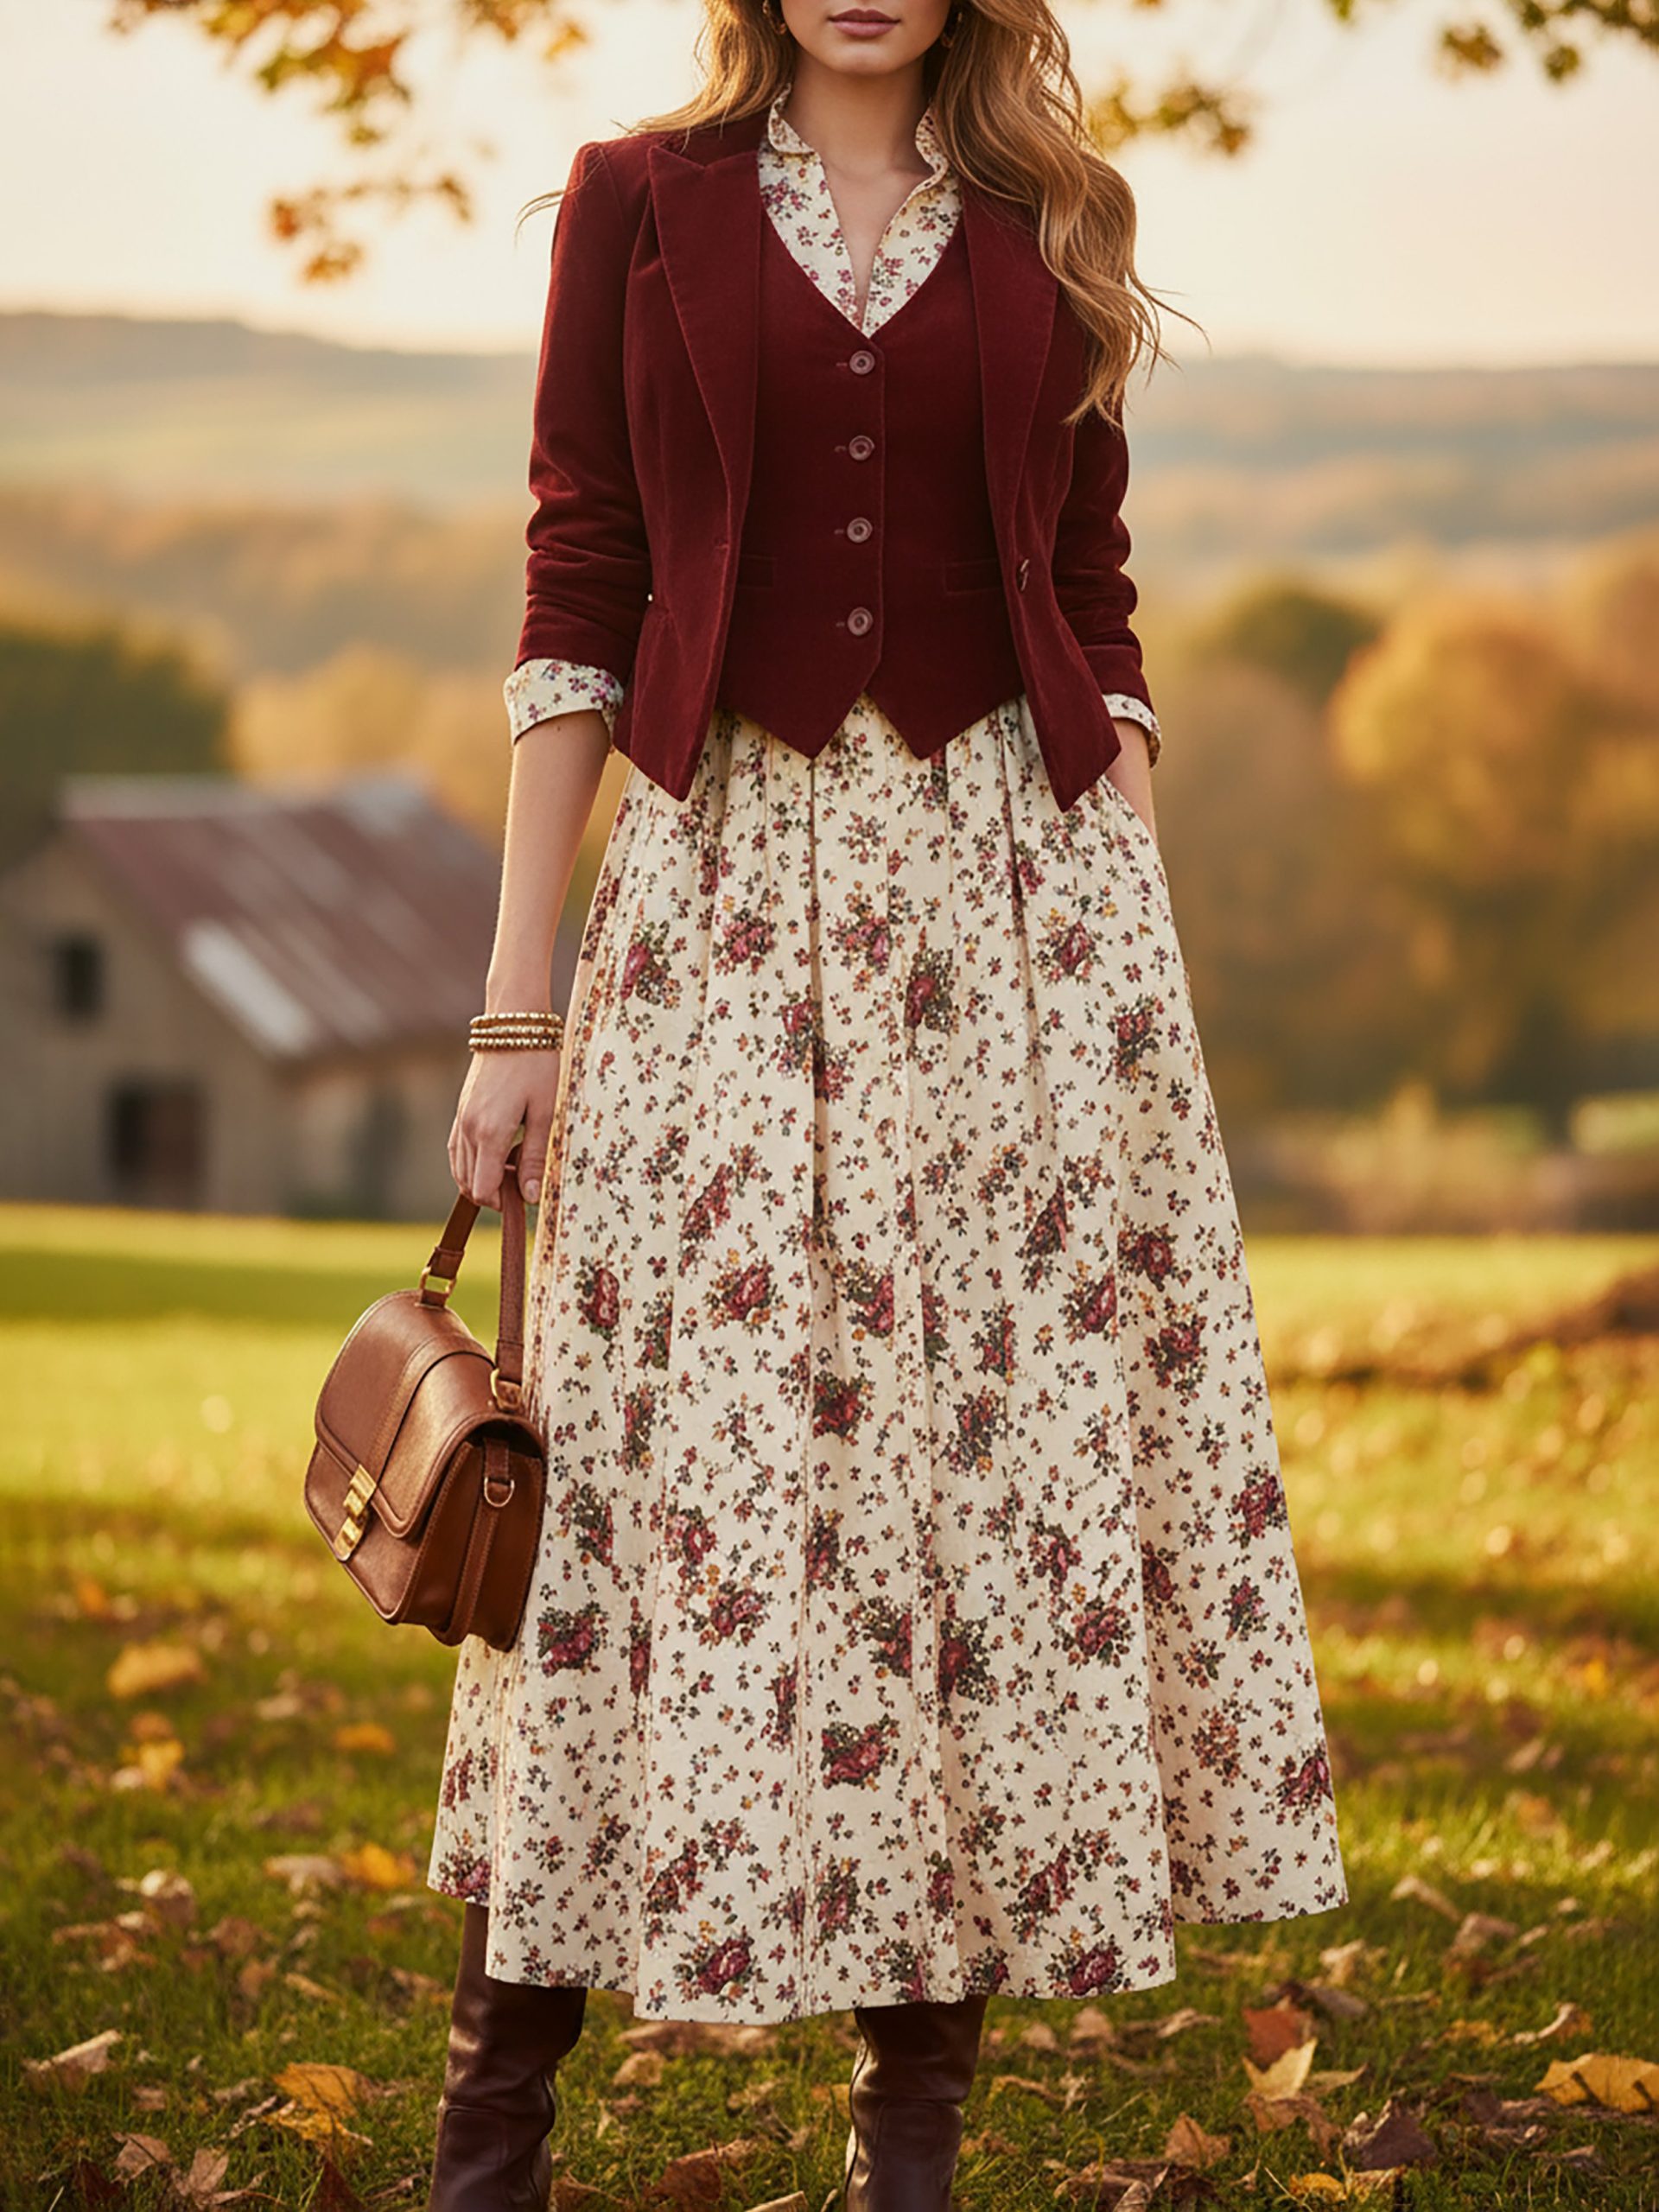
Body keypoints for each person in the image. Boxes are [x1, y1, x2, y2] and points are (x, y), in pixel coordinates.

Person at [424, 0, 1349, 2204]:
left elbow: (1090, 580)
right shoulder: (633, 204)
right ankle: (493, 2113)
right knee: (645, 1477)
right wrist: (513, 1003)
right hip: (726, 901)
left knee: (979, 1481)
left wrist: (1116, 836)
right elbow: (580, 577)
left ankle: (912, 2129)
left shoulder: (1055, 213)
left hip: (1014, 919)